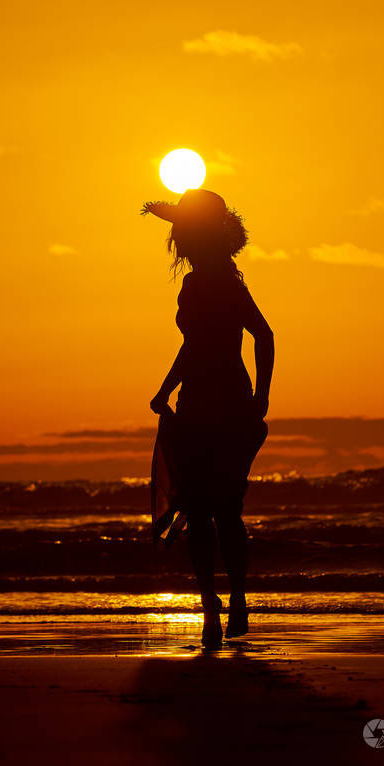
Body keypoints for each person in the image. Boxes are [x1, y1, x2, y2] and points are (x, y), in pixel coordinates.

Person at [141, 188, 274, 647]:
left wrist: (261, 397)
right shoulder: (198, 283)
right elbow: (192, 345)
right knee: (211, 512)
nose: (178, 239)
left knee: (214, 512)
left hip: (221, 405)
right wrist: (166, 389)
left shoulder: (222, 283)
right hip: (203, 402)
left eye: (183, 231)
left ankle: (226, 603)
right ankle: (217, 606)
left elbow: (264, 335)